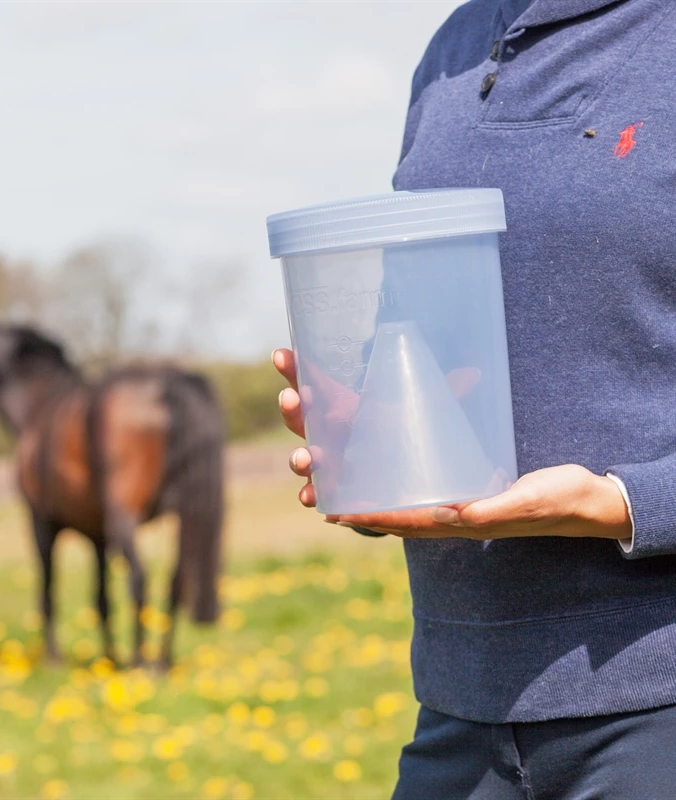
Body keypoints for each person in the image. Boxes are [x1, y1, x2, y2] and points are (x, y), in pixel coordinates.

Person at [272, 0, 676, 797]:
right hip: (460, 714)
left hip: (654, 709)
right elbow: (429, 339)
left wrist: (622, 502)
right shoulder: (453, 50)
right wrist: (377, 446)